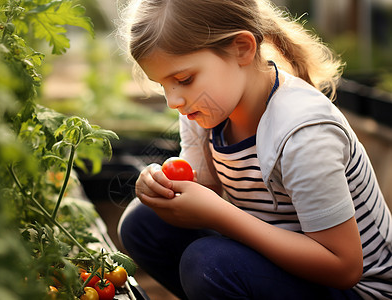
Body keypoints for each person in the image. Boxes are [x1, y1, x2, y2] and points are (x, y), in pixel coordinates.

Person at [116, 0, 392, 299]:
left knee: (210, 264)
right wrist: (165, 187)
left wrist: (220, 215)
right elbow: (202, 188)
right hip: (285, 263)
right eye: (163, 85)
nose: (174, 101)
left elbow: (343, 268)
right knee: (143, 222)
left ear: (242, 49)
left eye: (184, 79)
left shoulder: (303, 132)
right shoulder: (206, 110)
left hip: (359, 290)